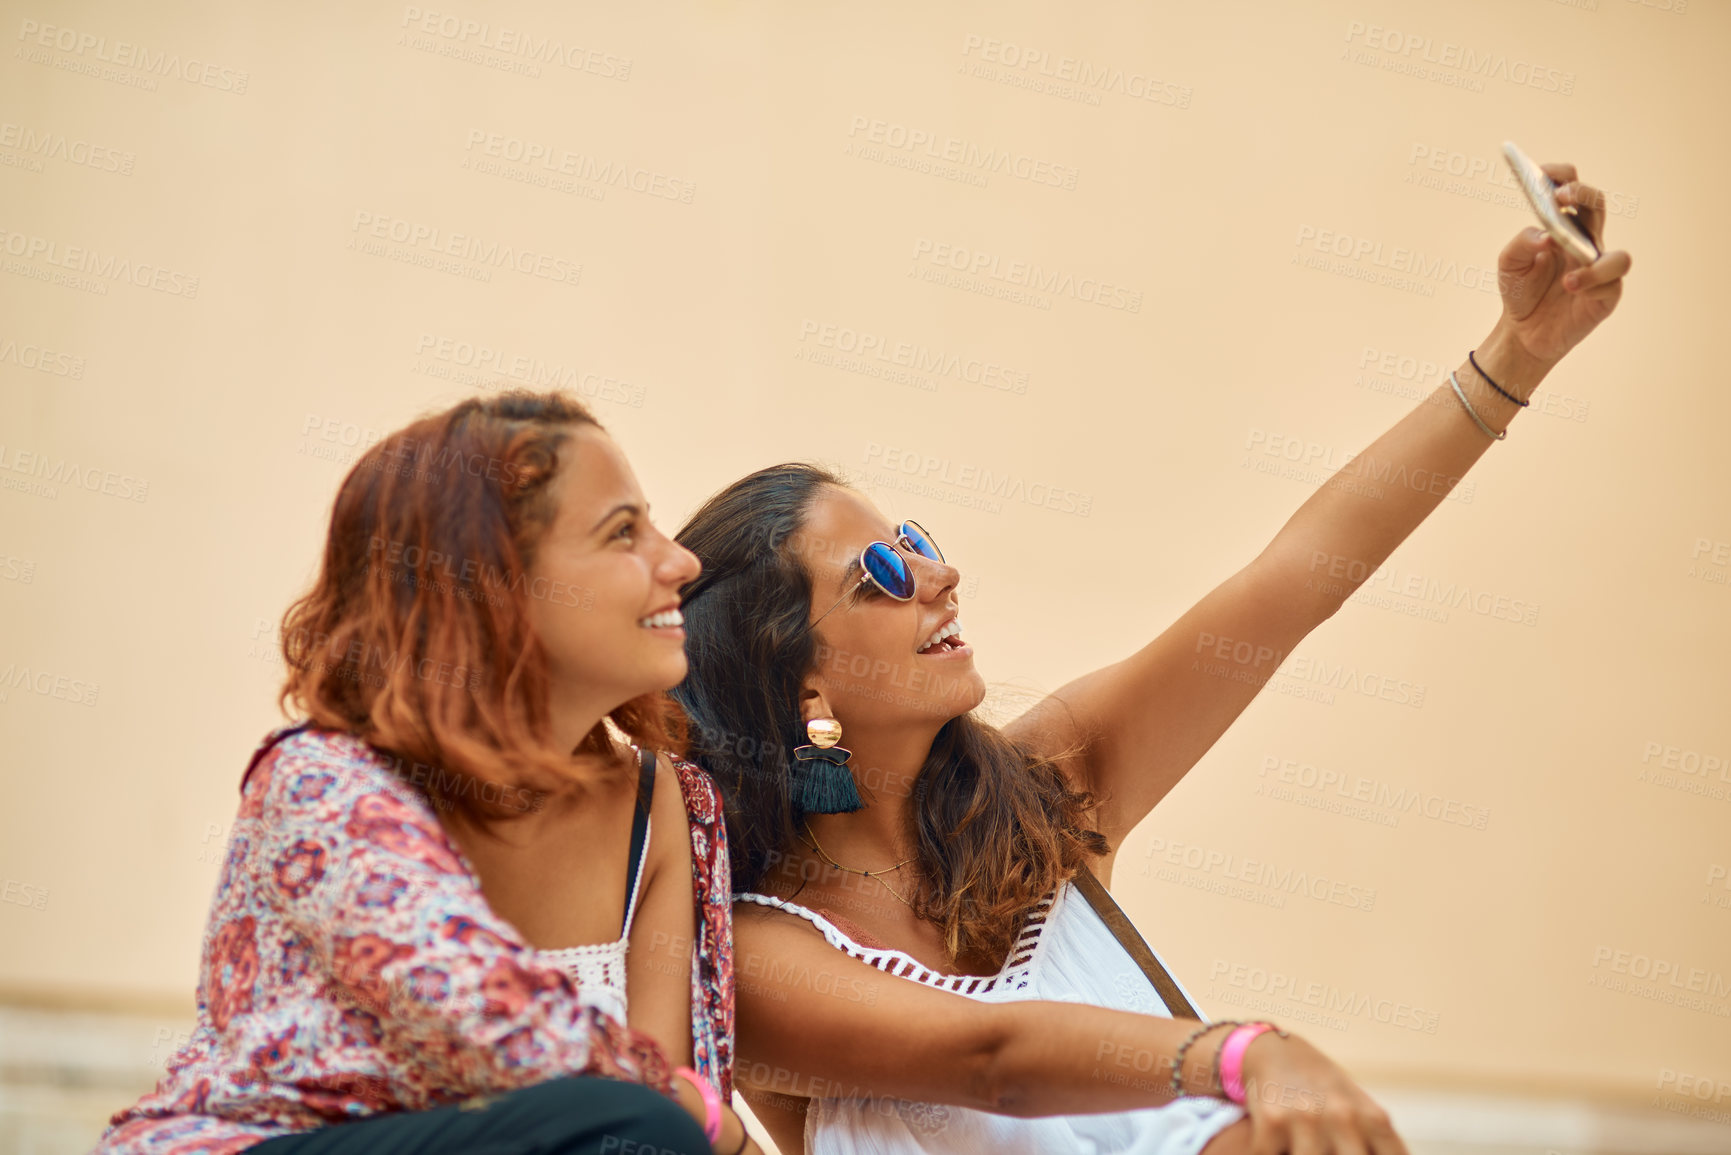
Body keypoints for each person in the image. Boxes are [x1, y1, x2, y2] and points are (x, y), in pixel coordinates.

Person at [668, 163, 1630, 1154]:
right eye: (880, 571)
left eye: (915, 539)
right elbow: (991, 1062)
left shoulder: (1043, 789)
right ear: (800, 681)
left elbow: (1294, 581)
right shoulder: (751, 956)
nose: (939, 573)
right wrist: (1245, 1054)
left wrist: (1520, 349)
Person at [96, 393, 763, 1155]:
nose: (681, 560)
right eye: (622, 533)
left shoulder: (666, 802)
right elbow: (483, 1018)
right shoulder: (318, 780)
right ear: (488, 587)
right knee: (635, 1120)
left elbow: (666, 1102)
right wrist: (712, 1123)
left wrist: (698, 1120)